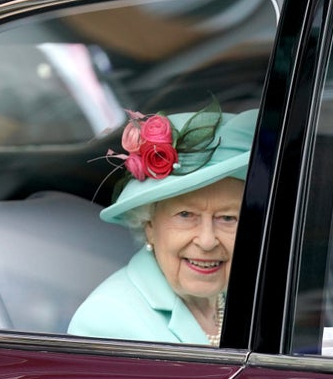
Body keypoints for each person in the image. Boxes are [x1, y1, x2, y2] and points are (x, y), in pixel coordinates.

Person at [68, 101, 257, 346]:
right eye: (186, 215)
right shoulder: (107, 321)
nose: (208, 240)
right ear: (149, 225)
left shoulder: (245, 295)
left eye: (228, 218)